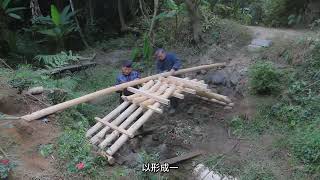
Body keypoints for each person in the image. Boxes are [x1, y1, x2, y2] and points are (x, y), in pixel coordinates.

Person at [154, 48, 182, 114]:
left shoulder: (171, 56)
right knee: (167, 91)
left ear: (164, 53)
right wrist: (162, 72)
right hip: (166, 79)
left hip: (176, 77)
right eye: (158, 57)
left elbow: (178, 62)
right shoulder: (159, 61)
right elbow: (158, 69)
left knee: (174, 91)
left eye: (160, 56)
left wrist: (174, 68)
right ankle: (171, 104)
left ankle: (174, 107)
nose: (160, 58)